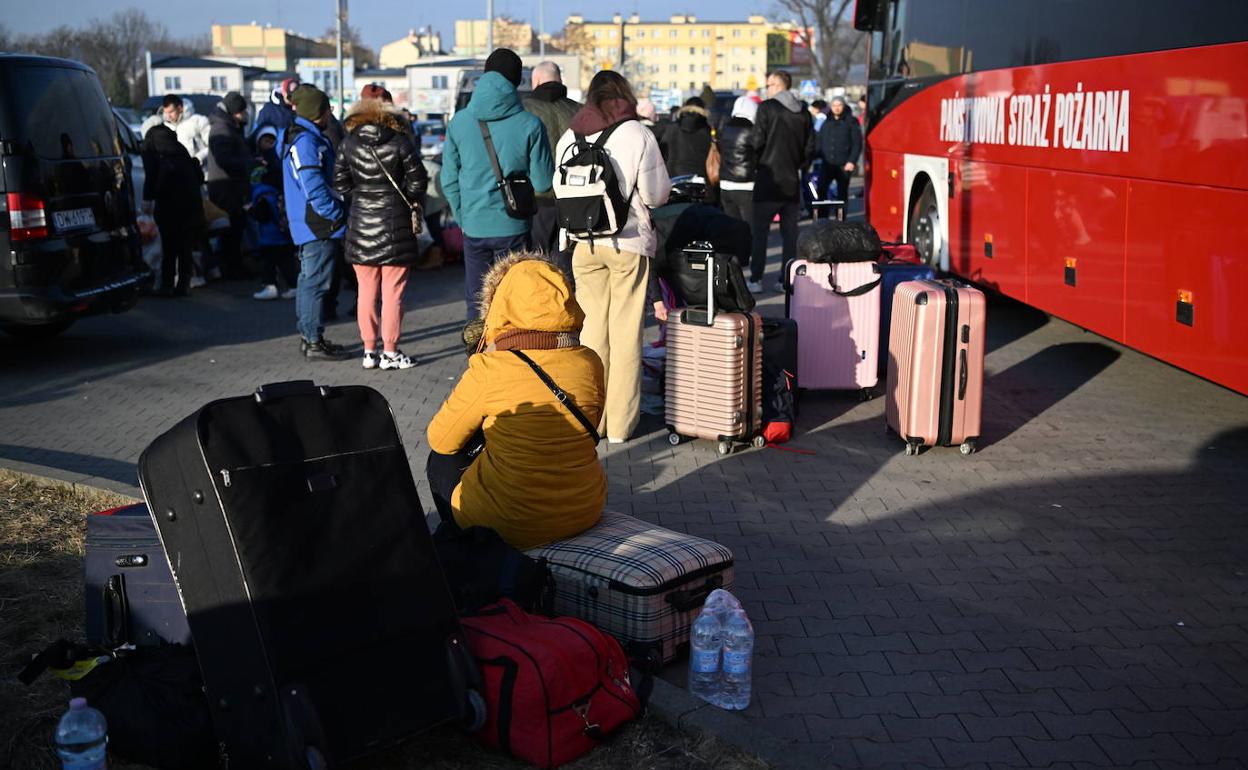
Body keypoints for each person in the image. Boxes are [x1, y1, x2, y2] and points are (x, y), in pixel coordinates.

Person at [426, 252, 607, 549]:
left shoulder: (492, 367)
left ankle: (465, 548)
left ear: (501, 306)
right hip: (585, 509)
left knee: (441, 461)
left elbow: (440, 439)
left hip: (509, 523)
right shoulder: (589, 361)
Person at [554, 70, 670, 444]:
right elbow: (656, 195)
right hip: (628, 243)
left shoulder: (571, 134)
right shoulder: (637, 134)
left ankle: (591, 418)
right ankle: (620, 426)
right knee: (625, 336)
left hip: (582, 243)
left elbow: (558, 185)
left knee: (590, 333)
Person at [442, 48, 554, 320]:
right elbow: (542, 182)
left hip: (474, 226)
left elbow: (448, 180)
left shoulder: (459, 122)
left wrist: (464, 217)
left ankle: (479, 358)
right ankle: (511, 358)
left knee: (478, 300)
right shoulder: (530, 124)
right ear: (517, 82)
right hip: (514, 225)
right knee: (514, 299)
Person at [332, 88, 428, 371]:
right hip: (396, 224)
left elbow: (339, 184)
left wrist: (361, 196)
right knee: (393, 294)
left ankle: (368, 350)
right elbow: (418, 182)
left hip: (361, 225)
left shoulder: (348, 143)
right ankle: (390, 351)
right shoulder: (400, 142)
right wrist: (403, 198)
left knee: (365, 292)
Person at [280, 85, 351, 361]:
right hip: (317, 223)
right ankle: (312, 340)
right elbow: (313, 185)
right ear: (316, 111)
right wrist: (334, 214)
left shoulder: (300, 137)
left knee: (308, 280)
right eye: (325, 108)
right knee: (316, 283)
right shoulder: (307, 142)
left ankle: (310, 337)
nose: (329, 113)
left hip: (309, 221)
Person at [748, 70, 815, 293]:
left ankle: (756, 278)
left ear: (778, 85)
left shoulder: (766, 108)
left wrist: (756, 164)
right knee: (790, 234)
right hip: (791, 182)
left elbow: (756, 141)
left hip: (768, 180)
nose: (767, 89)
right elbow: (810, 147)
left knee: (760, 233)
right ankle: (785, 279)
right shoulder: (803, 112)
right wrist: (799, 166)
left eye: (769, 85)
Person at [522, 61, 581, 271]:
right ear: (560, 81)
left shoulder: (524, 110)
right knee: (567, 264)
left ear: (535, 81)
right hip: (574, 198)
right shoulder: (579, 111)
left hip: (537, 198)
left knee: (536, 262)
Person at [141, 125, 203, 296]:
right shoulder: (179, 149)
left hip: (168, 206)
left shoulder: (152, 149)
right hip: (191, 204)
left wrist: (148, 199)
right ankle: (183, 283)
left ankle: (167, 284)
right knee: (185, 246)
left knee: (169, 246)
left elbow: (151, 176)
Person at [206, 91, 253, 279]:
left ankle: (233, 265)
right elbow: (224, 159)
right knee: (231, 229)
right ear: (235, 112)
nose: (245, 115)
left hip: (228, 186)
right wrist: (246, 164)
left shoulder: (228, 126)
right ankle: (231, 267)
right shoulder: (222, 130)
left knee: (234, 228)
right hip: (226, 187)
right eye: (242, 112)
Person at [247, 163, 299, 301]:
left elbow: (262, 216)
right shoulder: (276, 193)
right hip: (283, 236)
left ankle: (270, 286)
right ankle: (294, 286)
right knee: (286, 263)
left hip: (270, 238)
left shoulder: (261, 196)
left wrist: (250, 210)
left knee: (268, 264)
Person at [816, 96, 863, 218]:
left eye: (839, 105)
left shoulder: (851, 122)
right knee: (821, 189)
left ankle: (840, 219)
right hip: (828, 163)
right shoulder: (827, 122)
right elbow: (820, 141)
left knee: (842, 194)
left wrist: (852, 161)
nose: (836, 108)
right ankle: (822, 218)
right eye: (834, 105)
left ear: (843, 106)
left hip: (844, 164)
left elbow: (857, 143)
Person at [717, 96, 758, 229]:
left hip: (725, 184)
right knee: (750, 228)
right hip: (746, 185)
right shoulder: (752, 131)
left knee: (732, 229)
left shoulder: (724, 128)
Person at [141, 95, 211, 166]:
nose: (168, 116)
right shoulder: (164, 126)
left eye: (171, 112)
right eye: (166, 112)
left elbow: (212, 145)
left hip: (199, 170)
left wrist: (198, 159)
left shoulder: (198, 121)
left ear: (180, 108)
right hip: (175, 172)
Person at [660, 97, 713, 178]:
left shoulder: (671, 128)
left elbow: (663, 151)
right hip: (700, 176)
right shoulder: (708, 131)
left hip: (673, 175)